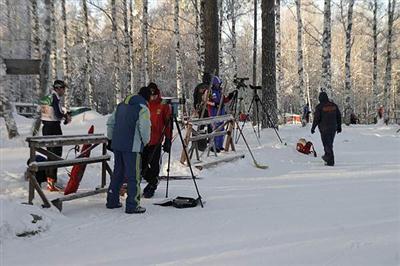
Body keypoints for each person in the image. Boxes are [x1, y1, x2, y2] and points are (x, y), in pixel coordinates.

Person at [106, 87, 151, 214]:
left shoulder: (120, 106)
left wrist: (110, 139)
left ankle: (112, 200)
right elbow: (145, 128)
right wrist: (145, 141)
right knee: (134, 176)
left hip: (117, 144)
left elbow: (110, 122)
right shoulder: (143, 109)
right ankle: (133, 204)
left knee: (118, 173)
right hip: (132, 146)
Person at [141, 82, 172, 199]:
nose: (153, 97)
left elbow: (167, 123)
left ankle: (152, 186)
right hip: (143, 140)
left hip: (156, 140)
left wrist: (168, 139)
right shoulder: (143, 104)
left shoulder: (162, 104)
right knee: (141, 164)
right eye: (151, 94)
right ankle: (153, 181)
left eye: (155, 94)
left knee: (154, 165)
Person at [40, 80, 71, 191]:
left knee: (50, 154)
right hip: (54, 128)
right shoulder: (55, 97)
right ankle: (52, 184)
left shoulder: (47, 97)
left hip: (46, 128)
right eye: (63, 89)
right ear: (58, 88)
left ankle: (50, 183)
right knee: (55, 155)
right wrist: (66, 116)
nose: (64, 91)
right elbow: (57, 114)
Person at [207, 76, 237, 152]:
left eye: (219, 84)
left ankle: (219, 145)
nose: (218, 85)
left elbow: (224, 100)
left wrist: (229, 97)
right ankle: (214, 146)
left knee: (222, 128)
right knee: (215, 129)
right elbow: (206, 102)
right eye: (217, 84)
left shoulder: (220, 92)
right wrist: (214, 104)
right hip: (214, 112)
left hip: (221, 112)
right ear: (214, 84)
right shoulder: (210, 91)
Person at [311, 91, 342, 166]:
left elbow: (316, 118)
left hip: (324, 128)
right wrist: (339, 127)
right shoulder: (334, 105)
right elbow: (338, 116)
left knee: (326, 143)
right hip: (333, 128)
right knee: (329, 143)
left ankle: (330, 159)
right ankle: (327, 157)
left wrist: (313, 128)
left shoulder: (319, 107)